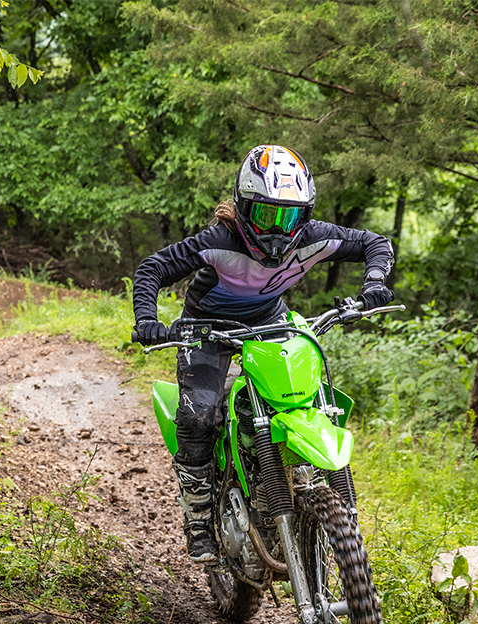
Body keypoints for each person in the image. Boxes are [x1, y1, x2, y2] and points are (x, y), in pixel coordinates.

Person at [131, 144, 395, 563]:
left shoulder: (314, 237)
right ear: (243, 207)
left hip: (273, 321)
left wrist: (375, 282)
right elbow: (153, 269)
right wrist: (147, 318)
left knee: (314, 400)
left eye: (288, 216)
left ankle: (338, 517)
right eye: (266, 214)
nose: (277, 228)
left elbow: (374, 244)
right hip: (208, 327)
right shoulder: (220, 239)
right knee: (199, 414)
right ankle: (198, 516)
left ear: (304, 217)